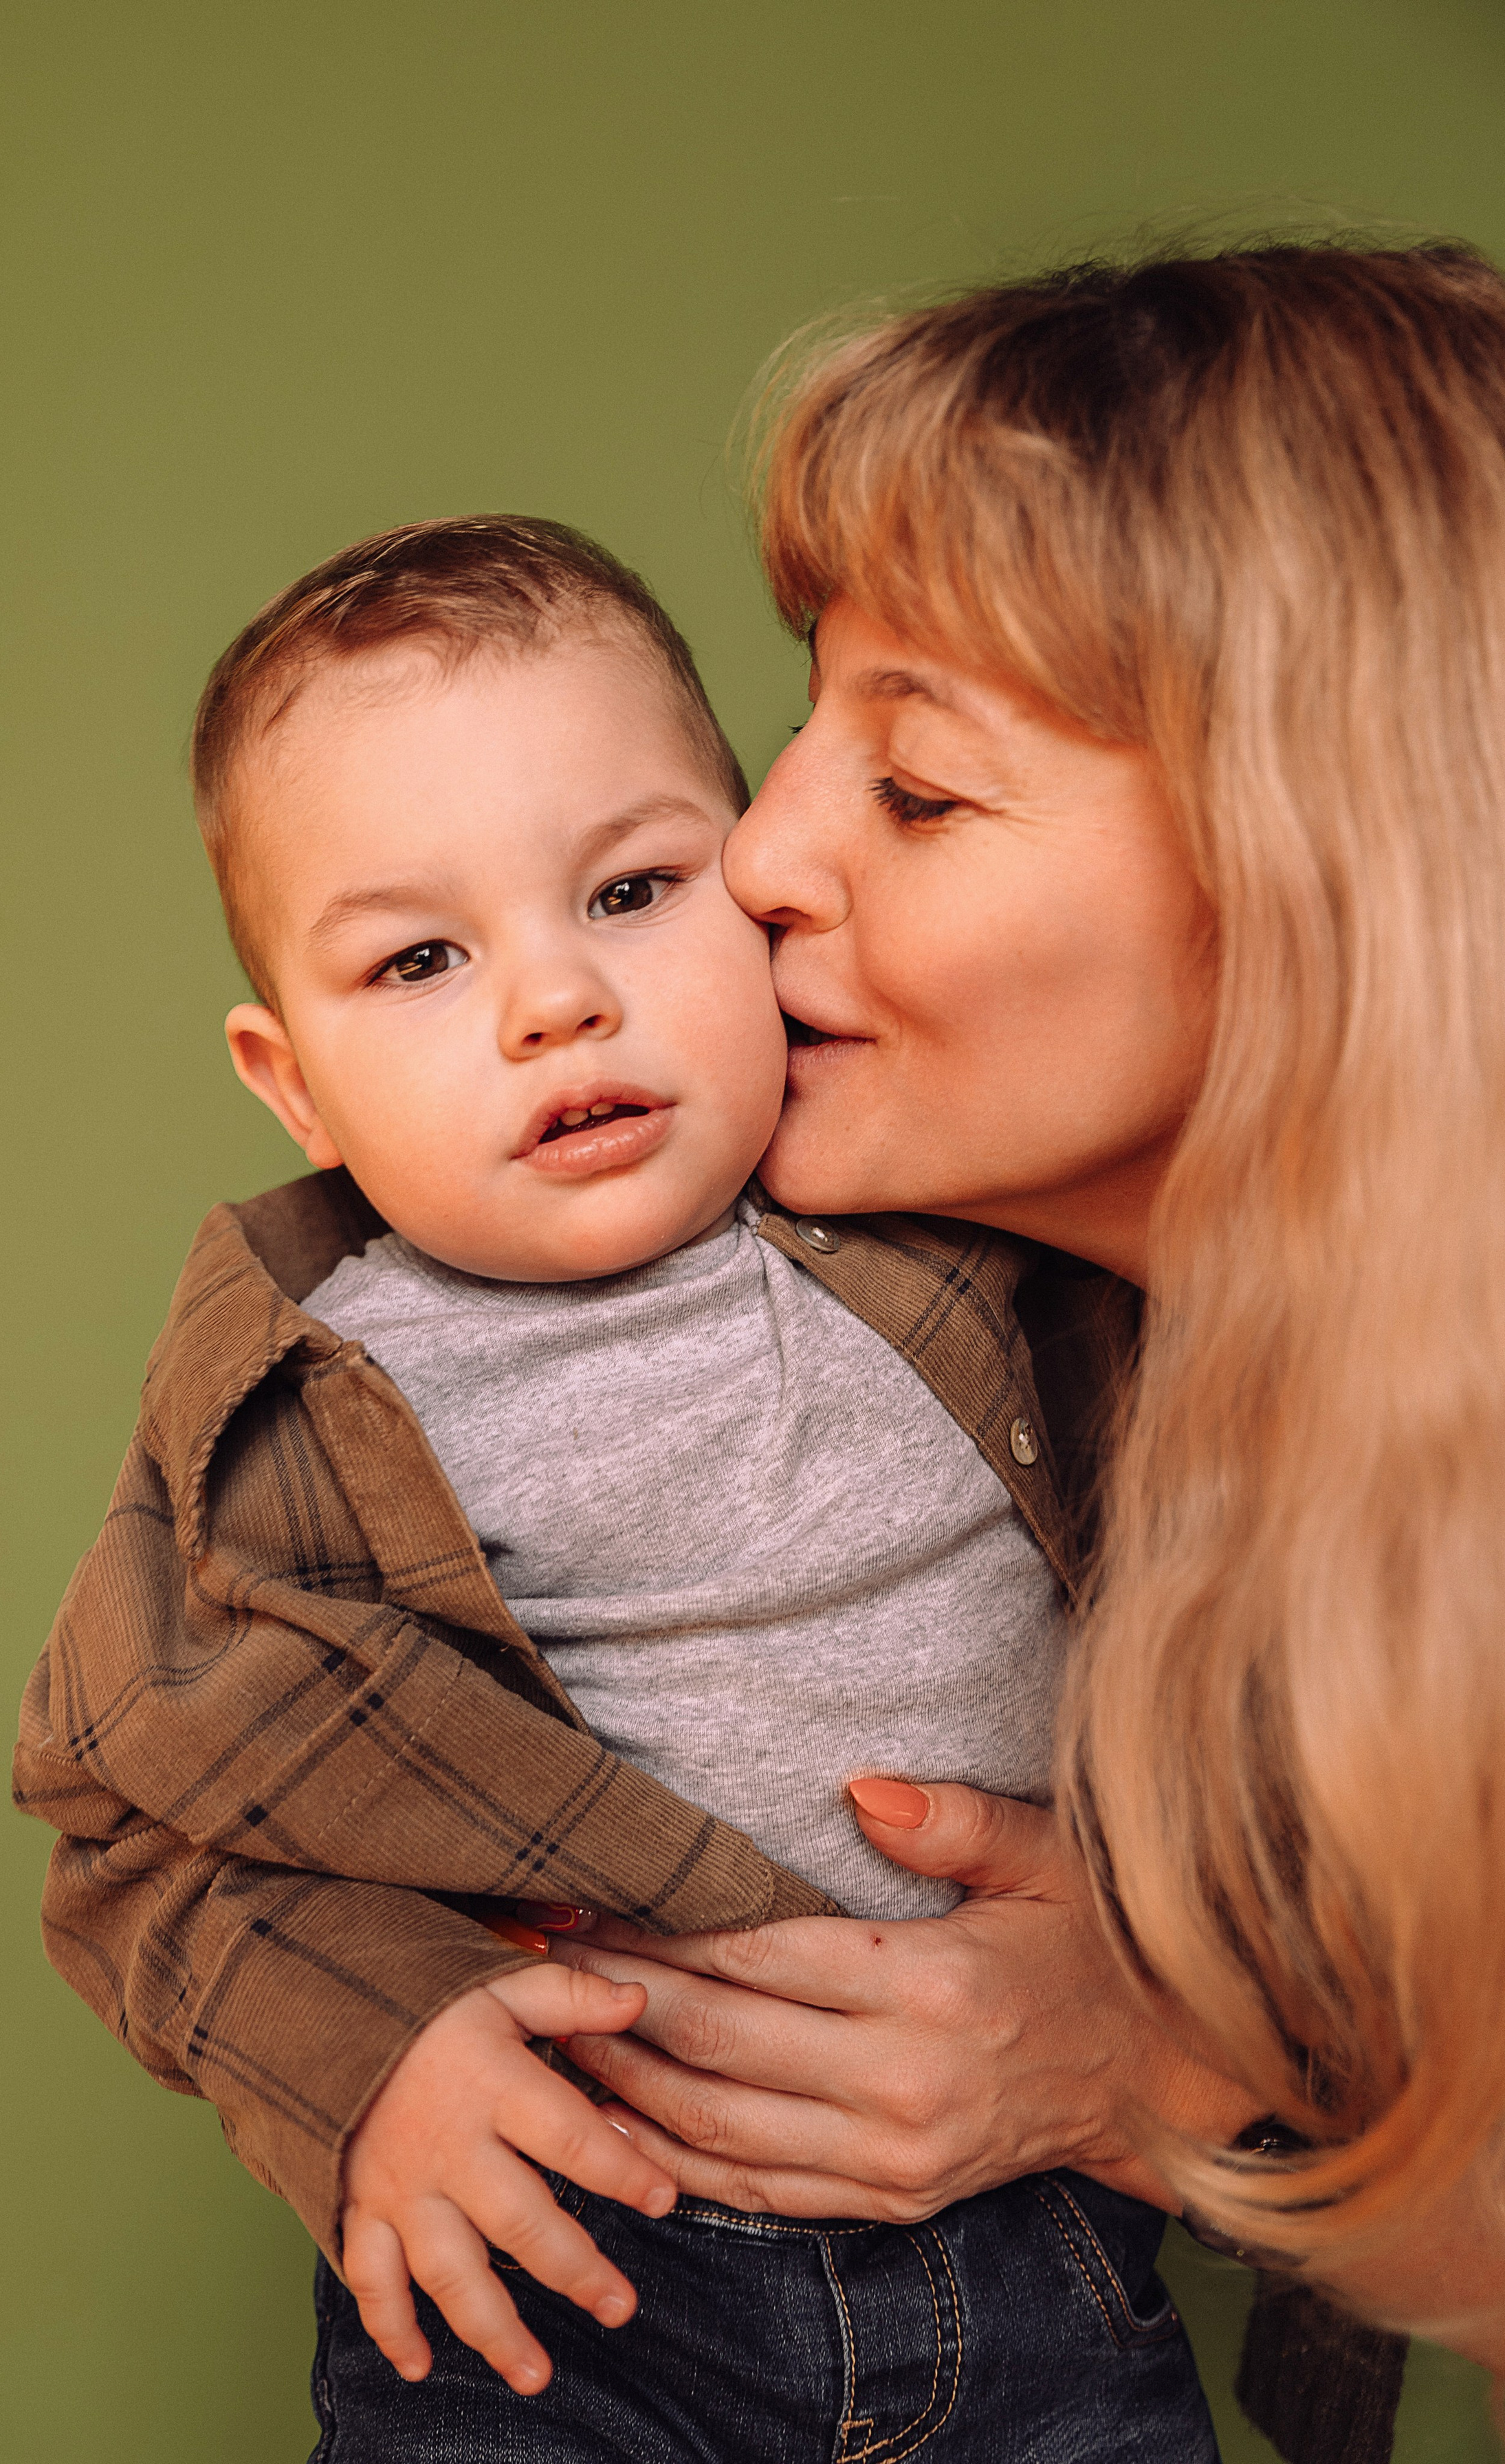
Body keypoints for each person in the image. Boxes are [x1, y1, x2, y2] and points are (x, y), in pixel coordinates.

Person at [14, 513, 1220, 2459]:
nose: (553, 1002)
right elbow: (131, 1817)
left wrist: (1186, 1970)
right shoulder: (314, 1390)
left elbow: (1265, 1660)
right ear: (294, 1080)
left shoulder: (969, 1241)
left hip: (1037, 2245)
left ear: (753, 900)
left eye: (634, 890)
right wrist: (373, 2046)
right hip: (564, 2279)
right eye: (417, 957)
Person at [525, 241, 1505, 2459]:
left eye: (923, 791)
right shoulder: (952, 1353)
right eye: (799, 730)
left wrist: (1175, 2082)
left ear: (1326, 881)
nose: (751, 854)